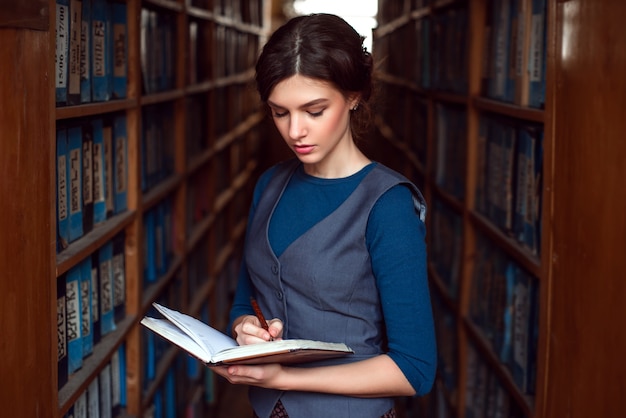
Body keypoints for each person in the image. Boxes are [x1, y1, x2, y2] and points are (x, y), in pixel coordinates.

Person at [211, 13, 436, 418]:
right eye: (280, 112)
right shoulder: (269, 185)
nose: (295, 130)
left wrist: (284, 378)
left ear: (354, 96)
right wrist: (245, 327)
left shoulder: (388, 206)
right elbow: (245, 299)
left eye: (314, 111)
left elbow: (414, 370)